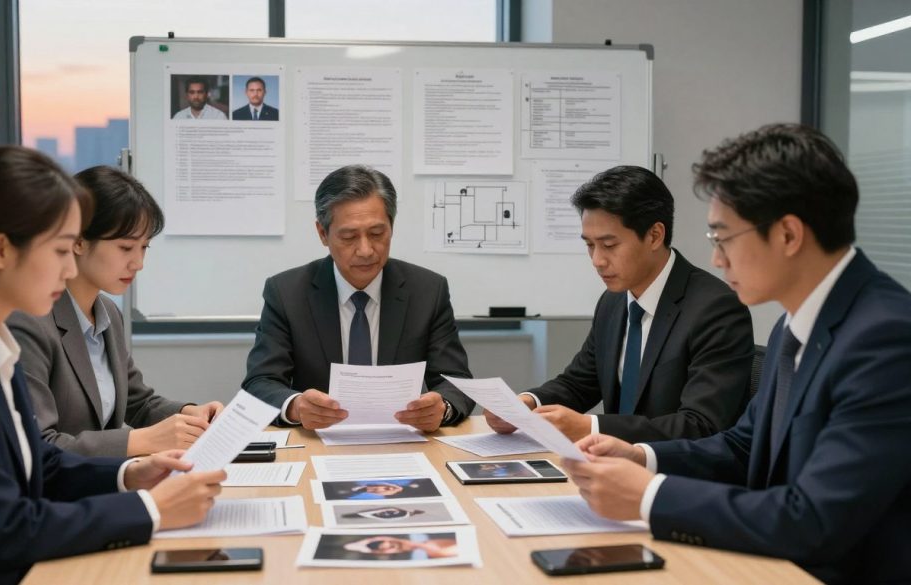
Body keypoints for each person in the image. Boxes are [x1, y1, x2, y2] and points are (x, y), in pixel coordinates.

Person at [564, 124, 911, 584]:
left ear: (788, 235)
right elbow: (741, 445)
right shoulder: (798, 320)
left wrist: (650, 496)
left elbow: (813, 520)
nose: (716, 260)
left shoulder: (885, 338)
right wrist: (641, 457)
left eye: (723, 237)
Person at [0, 147, 225, 585]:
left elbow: (37, 463)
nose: (69, 269)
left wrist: (129, 474)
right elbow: (5, 529)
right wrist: (152, 510)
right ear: (0, 251)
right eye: (63, 250)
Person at [485, 166, 753, 443]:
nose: (597, 260)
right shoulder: (613, 301)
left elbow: (701, 425)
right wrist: (527, 403)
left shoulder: (715, 309)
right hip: (611, 466)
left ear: (654, 236)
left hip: (676, 474)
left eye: (609, 245)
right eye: (590, 245)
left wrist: (591, 427)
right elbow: (580, 383)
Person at [8, 166, 223, 457]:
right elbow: (40, 445)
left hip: (103, 483)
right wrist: (139, 442)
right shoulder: (29, 320)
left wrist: (190, 414)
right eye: (125, 248)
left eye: (144, 247)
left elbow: (139, 402)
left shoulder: (107, 312)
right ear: (79, 241)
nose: (138, 263)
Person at [242, 164, 474, 431]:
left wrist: (441, 408)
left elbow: (456, 381)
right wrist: (296, 407)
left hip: (403, 441)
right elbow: (260, 381)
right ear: (322, 234)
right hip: (316, 443)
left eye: (377, 234)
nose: (365, 250)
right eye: (349, 237)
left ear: (392, 227)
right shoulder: (286, 292)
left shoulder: (427, 290)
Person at [342, 535, 458, 559]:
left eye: (392, 543)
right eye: (391, 547)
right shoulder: (418, 559)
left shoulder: (419, 535)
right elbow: (442, 553)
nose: (390, 546)